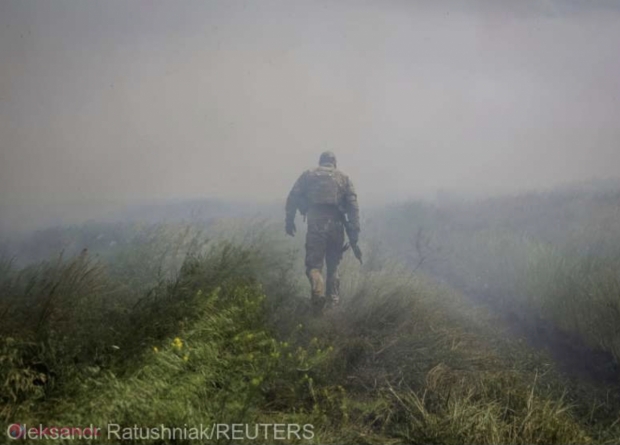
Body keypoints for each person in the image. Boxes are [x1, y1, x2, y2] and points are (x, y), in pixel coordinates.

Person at [285, 151, 360, 313]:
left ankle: (318, 294)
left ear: (321, 162)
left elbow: (293, 197)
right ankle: (333, 306)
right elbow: (353, 207)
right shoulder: (344, 177)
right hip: (337, 226)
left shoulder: (308, 175)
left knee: (314, 266)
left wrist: (289, 220)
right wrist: (354, 234)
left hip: (316, 225)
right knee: (333, 266)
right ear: (334, 162)